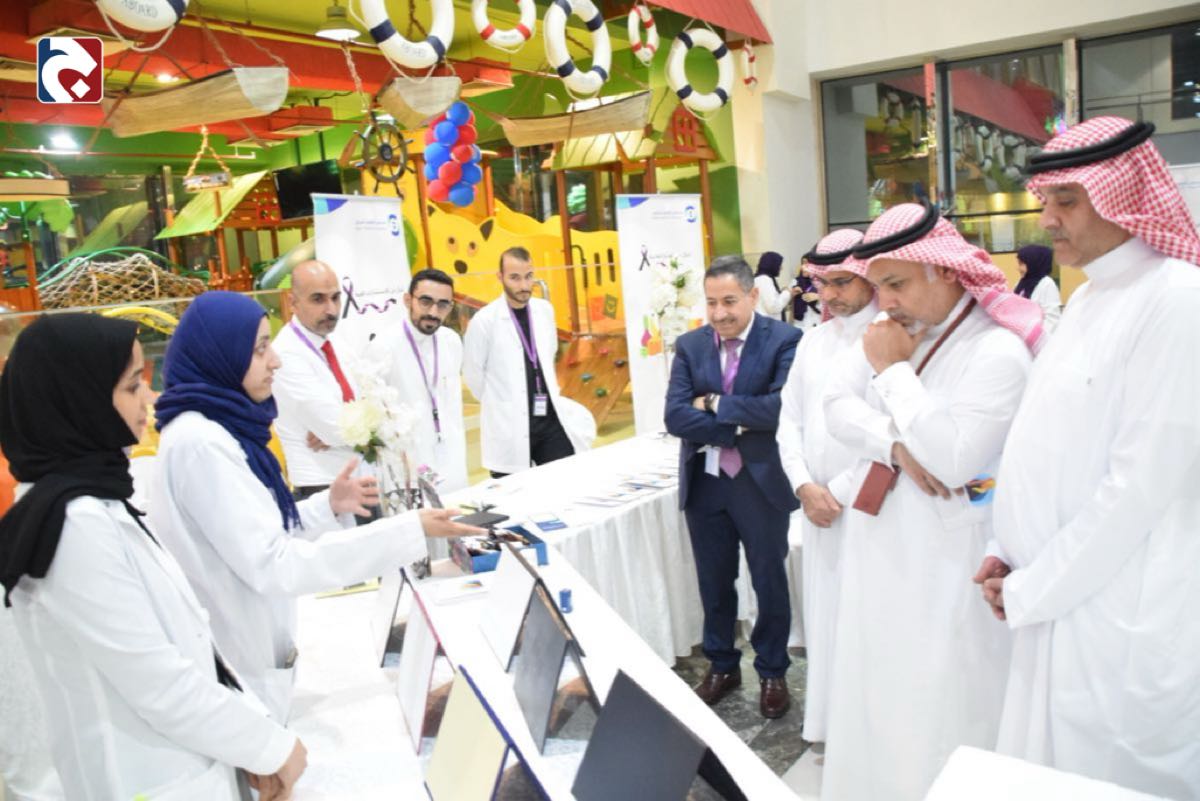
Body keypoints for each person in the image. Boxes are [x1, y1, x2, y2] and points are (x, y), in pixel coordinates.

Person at [979, 116, 1200, 797]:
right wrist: (1006, 548)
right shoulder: (1090, 300)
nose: (1048, 218)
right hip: (1053, 595)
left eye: (1067, 200)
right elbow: (1043, 442)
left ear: (1126, 196)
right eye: (1045, 200)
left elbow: (1138, 488)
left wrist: (1031, 587)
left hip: (1116, 608)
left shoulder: (1177, 300)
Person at [0, 314, 306, 801]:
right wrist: (269, 747)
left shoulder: (99, 498)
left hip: (186, 761)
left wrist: (253, 739)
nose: (148, 397)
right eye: (130, 386)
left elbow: (191, 645)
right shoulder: (71, 523)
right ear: (78, 401)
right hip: (145, 777)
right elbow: (157, 681)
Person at [148, 292, 483, 721]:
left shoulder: (218, 430)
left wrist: (328, 505)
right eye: (260, 349)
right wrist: (408, 530)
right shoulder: (203, 444)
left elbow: (263, 530)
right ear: (220, 354)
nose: (275, 361)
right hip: (241, 660)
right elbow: (276, 563)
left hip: (253, 650)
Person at [820, 201, 1041, 801]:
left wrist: (892, 373)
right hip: (879, 548)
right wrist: (893, 445)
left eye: (896, 284)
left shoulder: (996, 350)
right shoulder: (889, 331)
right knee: (879, 691)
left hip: (947, 562)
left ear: (944, 269)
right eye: (878, 286)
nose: (885, 301)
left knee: (940, 703)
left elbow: (954, 460)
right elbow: (834, 407)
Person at [664, 255, 802, 720]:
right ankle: (722, 666)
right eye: (711, 303)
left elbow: (779, 409)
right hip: (707, 484)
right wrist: (737, 424)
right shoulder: (690, 345)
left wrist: (713, 403)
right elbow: (675, 416)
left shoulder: (784, 340)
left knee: (768, 579)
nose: (719, 313)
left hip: (759, 483)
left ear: (752, 295)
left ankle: (772, 670)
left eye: (729, 301)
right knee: (714, 582)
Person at [775, 229, 877, 744]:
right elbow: (788, 418)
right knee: (825, 620)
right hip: (816, 507)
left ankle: (867, 733)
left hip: (867, 508)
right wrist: (803, 485)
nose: (831, 295)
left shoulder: (890, 336)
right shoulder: (814, 339)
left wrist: (834, 490)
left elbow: (888, 433)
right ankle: (831, 728)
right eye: (824, 283)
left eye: (843, 282)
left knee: (865, 621)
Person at [462, 246, 595, 477]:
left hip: (549, 418)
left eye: (529, 276)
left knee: (565, 481)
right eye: (515, 278)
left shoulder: (544, 310)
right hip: (509, 424)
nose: (524, 285)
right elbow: (473, 375)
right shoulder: (484, 321)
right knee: (512, 493)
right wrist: (502, 402)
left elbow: (550, 352)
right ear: (500, 277)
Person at [272, 260, 368, 509]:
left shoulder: (336, 341)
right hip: (321, 490)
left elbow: (373, 400)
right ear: (292, 302)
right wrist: (349, 428)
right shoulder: (285, 354)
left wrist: (353, 427)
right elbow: (334, 428)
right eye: (318, 299)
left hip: (361, 479)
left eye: (335, 298)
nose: (331, 310)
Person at [368, 268, 468, 492]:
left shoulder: (451, 341)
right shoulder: (384, 346)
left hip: (451, 453)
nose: (433, 312)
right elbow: (374, 414)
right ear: (407, 300)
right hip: (409, 463)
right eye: (425, 301)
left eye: (443, 305)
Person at [1013, 244, 1061, 332]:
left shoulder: (1047, 284)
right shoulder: (1021, 283)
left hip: (1037, 337)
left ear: (1033, 263)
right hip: (1019, 334)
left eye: (1021, 264)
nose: (1018, 268)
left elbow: (1052, 319)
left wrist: (1036, 337)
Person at [753, 251, 798, 320]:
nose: (781, 268)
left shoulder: (762, 279)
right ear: (772, 264)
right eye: (779, 265)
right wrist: (787, 292)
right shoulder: (764, 280)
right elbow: (773, 307)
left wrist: (782, 293)